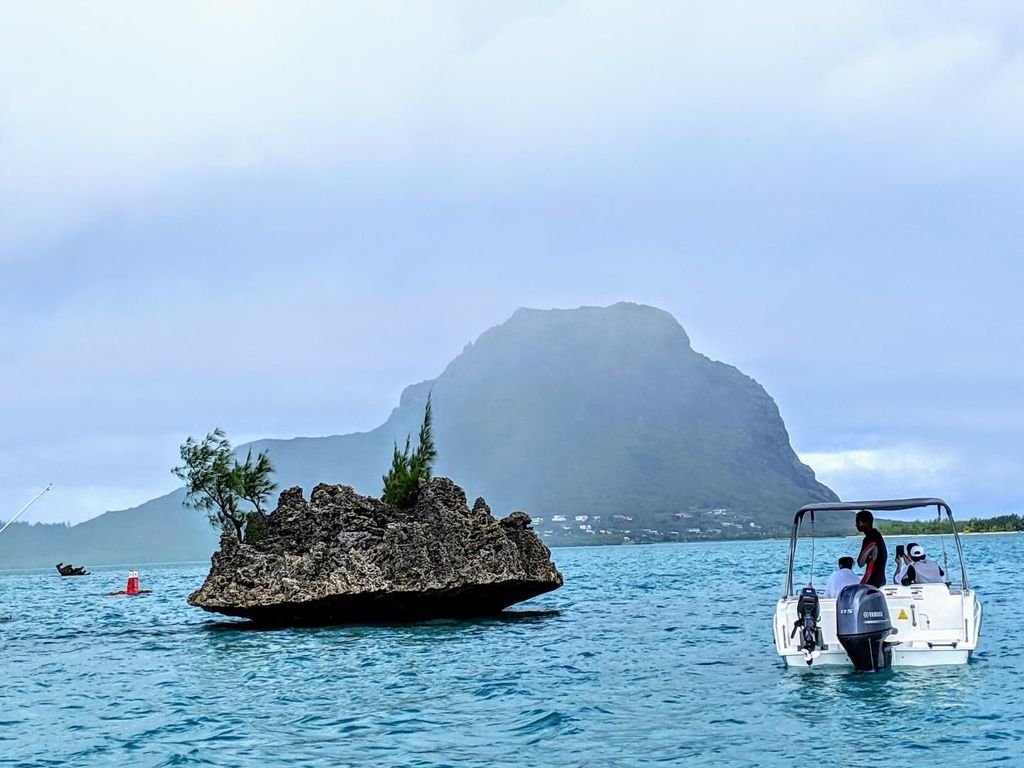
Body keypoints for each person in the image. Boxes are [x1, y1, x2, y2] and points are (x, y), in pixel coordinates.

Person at [855, 509, 888, 588]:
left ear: (865, 523)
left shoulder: (870, 539)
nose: (856, 525)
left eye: (858, 522)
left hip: (873, 581)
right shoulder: (877, 536)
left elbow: (860, 563)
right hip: (881, 579)